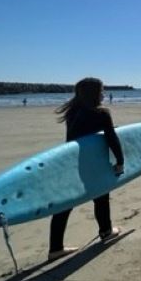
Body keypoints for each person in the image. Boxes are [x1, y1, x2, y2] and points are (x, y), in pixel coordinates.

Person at [50, 78, 123, 261]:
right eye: (101, 91)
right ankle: (106, 231)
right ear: (94, 94)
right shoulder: (101, 114)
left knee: (65, 204)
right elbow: (112, 139)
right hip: (93, 163)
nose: (104, 94)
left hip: (72, 162)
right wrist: (120, 161)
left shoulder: (72, 112)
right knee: (101, 196)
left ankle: (55, 248)